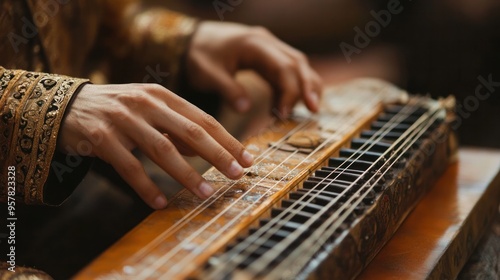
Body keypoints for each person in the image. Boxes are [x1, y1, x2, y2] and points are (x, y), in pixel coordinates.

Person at [0, 0, 323, 212]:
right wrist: (47, 104)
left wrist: (184, 41)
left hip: (88, 166)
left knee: (250, 93)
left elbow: (101, 27)